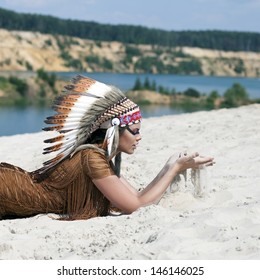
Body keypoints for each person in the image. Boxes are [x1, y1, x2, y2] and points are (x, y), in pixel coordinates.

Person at [0, 75, 214, 220]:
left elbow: (138, 197)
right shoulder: (91, 158)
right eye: (135, 131)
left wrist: (171, 165)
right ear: (113, 130)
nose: (139, 137)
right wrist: (175, 168)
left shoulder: (97, 157)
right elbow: (136, 206)